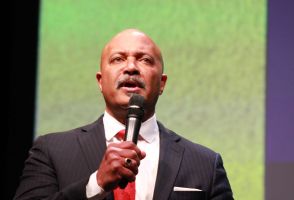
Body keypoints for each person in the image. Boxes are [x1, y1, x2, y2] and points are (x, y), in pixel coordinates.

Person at [14, 28, 234, 200]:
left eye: (145, 60)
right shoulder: (52, 151)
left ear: (162, 84)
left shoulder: (205, 164)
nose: (131, 67)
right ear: (100, 81)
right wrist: (96, 184)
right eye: (118, 59)